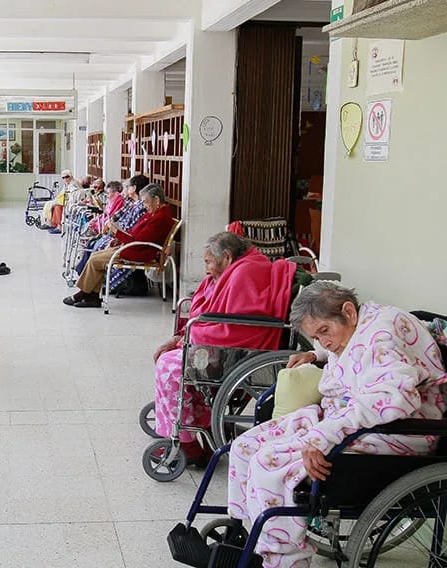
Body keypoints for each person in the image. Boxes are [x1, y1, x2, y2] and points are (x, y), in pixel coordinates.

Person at [227, 281, 446, 568]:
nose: (323, 342)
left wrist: (320, 438)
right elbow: (354, 355)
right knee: (244, 446)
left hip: (399, 429)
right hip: (351, 419)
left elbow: (393, 400)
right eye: (315, 337)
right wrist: (315, 355)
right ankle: (247, 537)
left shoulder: (381, 334)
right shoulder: (360, 322)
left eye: (323, 332)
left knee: (268, 462)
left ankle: (284, 559)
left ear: (348, 311)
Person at [152, 232, 297, 465]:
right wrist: (181, 337)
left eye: (209, 261)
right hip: (223, 344)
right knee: (171, 357)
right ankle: (196, 424)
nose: (206, 267)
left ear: (227, 257)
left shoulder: (245, 272)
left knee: (168, 366)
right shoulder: (237, 269)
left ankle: (187, 442)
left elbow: (237, 326)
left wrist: (187, 338)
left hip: (237, 351)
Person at [63, 183, 174, 308]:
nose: (144, 206)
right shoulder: (154, 214)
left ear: (157, 200)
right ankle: (91, 295)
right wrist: (119, 237)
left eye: (145, 202)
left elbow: (137, 242)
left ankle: (85, 293)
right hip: (133, 247)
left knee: (96, 260)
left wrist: (116, 231)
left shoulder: (160, 218)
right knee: (95, 255)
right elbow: (135, 234)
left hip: (139, 252)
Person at [75, 175, 148, 276]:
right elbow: (117, 217)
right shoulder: (131, 203)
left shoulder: (139, 207)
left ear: (134, 188)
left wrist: (113, 230)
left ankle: (88, 277)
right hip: (117, 234)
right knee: (93, 243)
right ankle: (82, 273)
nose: (124, 190)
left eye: (127, 187)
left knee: (96, 246)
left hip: (124, 240)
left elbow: (128, 226)